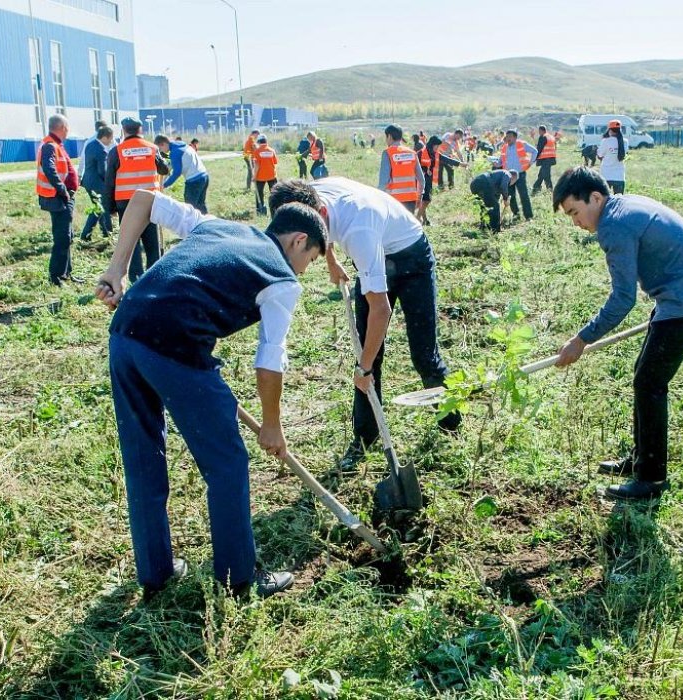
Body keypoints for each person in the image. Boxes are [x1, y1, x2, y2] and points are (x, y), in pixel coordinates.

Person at [94, 189, 327, 601]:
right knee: (228, 461)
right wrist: (271, 425)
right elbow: (270, 360)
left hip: (125, 333)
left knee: (143, 457)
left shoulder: (217, 224)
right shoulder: (282, 279)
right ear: (298, 241)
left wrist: (117, 270)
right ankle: (238, 579)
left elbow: (144, 199)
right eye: (310, 260)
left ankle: (156, 573)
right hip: (174, 347)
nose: (305, 270)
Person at [551, 167, 683, 501]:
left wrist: (581, 339)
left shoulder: (614, 225)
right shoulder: (622, 206)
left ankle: (652, 480)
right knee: (643, 377)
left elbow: (623, 298)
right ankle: (640, 460)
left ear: (595, 198)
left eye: (575, 212)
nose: (576, 222)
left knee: (650, 383)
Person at [268, 178, 461, 471]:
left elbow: (381, 310)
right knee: (366, 352)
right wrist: (331, 259)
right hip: (372, 250)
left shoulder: (359, 231)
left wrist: (365, 368)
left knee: (422, 354)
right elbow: (322, 226)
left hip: (410, 257)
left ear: (316, 216)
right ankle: (364, 439)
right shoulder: (308, 195)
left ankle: (451, 424)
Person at [104, 117, 170, 283]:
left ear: (124, 130)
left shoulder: (116, 151)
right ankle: (156, 278)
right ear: (140, 130)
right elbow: (164, 169)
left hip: (126, 204)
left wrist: (110, 208)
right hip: (150, 202)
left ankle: (136, 279)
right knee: (152, 244)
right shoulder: (152, 149)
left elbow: (109, 182)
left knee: (131, 243)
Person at [37, 114, 80, 286]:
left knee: (67, 236)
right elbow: (49, 168)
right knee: (62, 238)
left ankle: (66, 273)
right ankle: (56, 277)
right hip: (57, 198)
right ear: (62, 127)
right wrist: (62, 189)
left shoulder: (56, 145)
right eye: (67, 127)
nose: (68, 131)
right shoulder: (49, 146)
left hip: (63, 198)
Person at [155, 134, 210, 214]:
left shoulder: (174, 152)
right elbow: (174, 164)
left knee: (190, 208)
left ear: (163, 144)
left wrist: (164, 185)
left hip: (194, 181)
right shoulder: (181, 144)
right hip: (204, 176)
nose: (161, 151)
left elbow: (177, 173)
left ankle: (192, 225)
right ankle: (207, 223)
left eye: (160, 148)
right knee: (200, 205)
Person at [378, 124, 425, 214]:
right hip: (411, 199)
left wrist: (377, 196)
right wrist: (419, 196)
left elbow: (384, 181)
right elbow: (421, 179)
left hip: (393, 200)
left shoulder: (388, 153)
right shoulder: (412, 153)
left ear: (389, 136)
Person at [79, 125, 115, 241]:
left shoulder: (90, 144)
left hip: (88, 181)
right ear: (105, 137)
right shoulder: (101, 150)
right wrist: (110, 182)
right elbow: (102, 171)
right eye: (110, 139)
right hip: (97, 184)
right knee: (103, 208)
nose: (111, 142)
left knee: (99, 208)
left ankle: (103, 232)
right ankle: (107, 233)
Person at [500, 129, 538, 221]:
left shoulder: (521, 144)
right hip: (508, 175)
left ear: (515, 137)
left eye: (510, 136)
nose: (508, 138)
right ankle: (516, 215)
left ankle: (529, 216)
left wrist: (530, 163)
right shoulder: (505, 147)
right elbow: (501, 159)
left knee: (523, 195)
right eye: (507, 136)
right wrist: (497, 163)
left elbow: (535, 151)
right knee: (511, 195)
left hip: (520, 174)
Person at [597, 120, 627, 194]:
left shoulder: (605, 141)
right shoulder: (625, 142)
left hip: (606, 175)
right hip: (619, 176)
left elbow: (600, 155)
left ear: (609, 130)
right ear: (620, 130)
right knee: (619, 201)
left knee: (605, 202)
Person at [252, 134, 279, 215]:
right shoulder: (272, 150)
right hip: (272, 176)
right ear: (266, 141)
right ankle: (275, 208)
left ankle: (260, 210)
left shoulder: (257, 151)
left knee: (259, 193)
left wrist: (254, 176)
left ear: (258, 142)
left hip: (260, 177)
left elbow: (257, 165)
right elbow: (275, 162)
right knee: (274, 193)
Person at [415, 135, 435, 226]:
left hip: (428, 180)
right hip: (421, 180)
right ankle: (417, 219)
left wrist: (460, 163)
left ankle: (425, 220)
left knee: (424, 200)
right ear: (432, 145)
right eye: (437, 146)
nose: (438, 148)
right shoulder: (420, 153)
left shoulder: (433, 153)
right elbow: (415, 166)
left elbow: (445, 159)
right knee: (426, 200)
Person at [532, 125, 557, 195]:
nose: (539, 133)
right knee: (541, 175)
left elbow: (539, 149)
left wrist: (534, 158)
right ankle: (536, 188)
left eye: (539, 131)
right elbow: (555, 148)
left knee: (546, 176)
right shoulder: (551, 137)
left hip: (545, 159)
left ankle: (550, 191)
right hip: (551, 159)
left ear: (541, 130)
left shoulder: (543, 137)